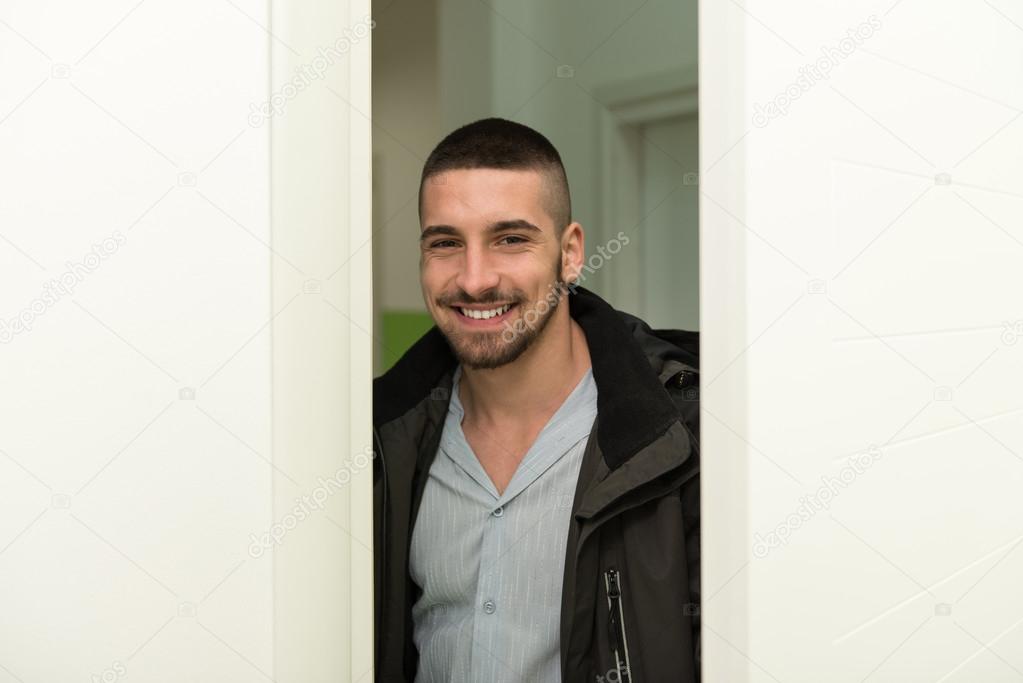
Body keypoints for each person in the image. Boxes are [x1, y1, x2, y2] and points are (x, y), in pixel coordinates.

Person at [373, 117, 700, 682]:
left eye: (510, 239)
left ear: (570, 254)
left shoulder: (684, 433)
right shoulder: (379, 439)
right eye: (446, 243)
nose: (475, 280)